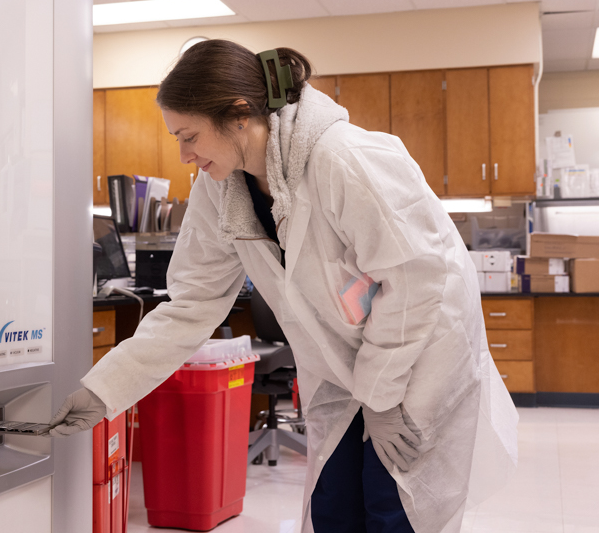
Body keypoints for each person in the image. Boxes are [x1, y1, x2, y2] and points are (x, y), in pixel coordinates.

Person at [50, 40, 519, 533]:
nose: (185, 155)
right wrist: (103, 392)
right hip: (341, 371)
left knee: (395, 510)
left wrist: (381, 399)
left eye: (189, 136)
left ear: (238, 115)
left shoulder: (344, 159)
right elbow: (192, 304)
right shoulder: (221, 188)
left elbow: (419, 282)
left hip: (420, 357)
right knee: (335, 509)